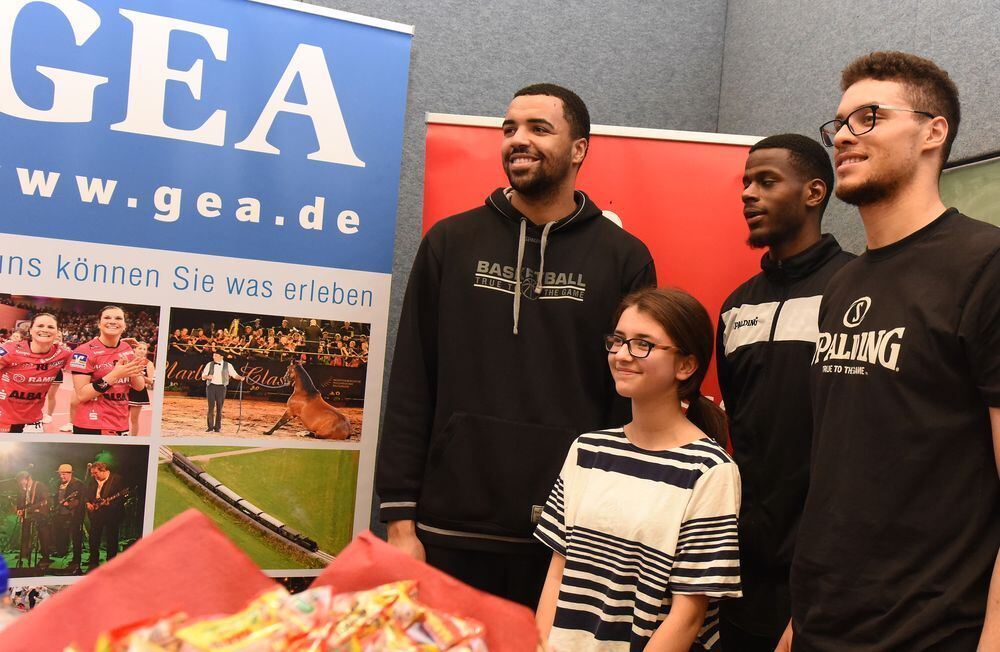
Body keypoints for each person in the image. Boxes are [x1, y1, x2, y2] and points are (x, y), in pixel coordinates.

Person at [375, 83, 656, 607]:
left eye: (538, 128)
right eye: (509, 129)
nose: (517, 140)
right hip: (447, 531)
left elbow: (630, 403)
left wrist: (613, 532)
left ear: (579, 149)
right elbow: (413, 379)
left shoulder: (624, 258)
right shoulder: (449, 243)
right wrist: (398, 523)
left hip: (566, 542)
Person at [777, 51, 1000, 651]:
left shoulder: (986, 266)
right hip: (822, 624)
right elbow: (843, 467)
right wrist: (798, 622)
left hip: (930, 633)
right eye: (840, 123)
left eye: (869, 117)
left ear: (933, 131)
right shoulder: (842, 285)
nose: (844, 136)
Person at [535, 288, 741, 650]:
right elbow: (557, 573)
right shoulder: (587, 450)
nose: (622, 355)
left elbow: (688, 614)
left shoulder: (710, 470)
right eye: (618, 341)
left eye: (643, 344)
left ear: (685, 365)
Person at [715, 134, 854, 650]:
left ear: (815, 192)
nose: (748, 193)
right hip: (744, 566)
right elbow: (741, 428)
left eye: (767, 181)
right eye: (746, 182)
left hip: (829, 566)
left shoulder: (857, 289)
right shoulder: (736, 306)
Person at [70, 306, 146, 435]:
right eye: (107, 317)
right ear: (99, 324)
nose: (112, 321)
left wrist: (134, 368)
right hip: (92, 424)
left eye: (118, 318)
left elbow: (139, 386)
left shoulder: (126, 348)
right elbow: (82, 395)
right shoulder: (82, 352)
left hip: (120, 423)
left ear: (124, 325)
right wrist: (116, 375)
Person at [0, 313, 73, 433]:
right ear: (31, 330)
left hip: (33, 422)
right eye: (40, 325)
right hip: (4, 419)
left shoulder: (64, 354)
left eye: (50, 327)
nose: (45, 330)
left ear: (57, 332)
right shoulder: (10, 349)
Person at [84, 462, 128, 570]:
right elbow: (86, 494)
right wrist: (88, 503)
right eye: (92, 474)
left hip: (112, 514)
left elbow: (123, 496)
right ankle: (93, 562)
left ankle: (111, 563)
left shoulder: (117, 479)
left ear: (103, 470)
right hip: (96, 514)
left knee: (112, 538)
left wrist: (111, 503)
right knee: (93, 538)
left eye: (96, 473)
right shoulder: (92, 481)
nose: (94, 475)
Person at [50, 463, 85, 574]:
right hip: (59, 514)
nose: (61, 476)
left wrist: (69, 505)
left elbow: (80, 500)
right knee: (60, 536)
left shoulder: (78, 484)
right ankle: (62, 553)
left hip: (73, 515)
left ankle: (76, 561)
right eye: (60, 474)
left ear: (70, 474)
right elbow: (55, 497)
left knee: (75, 538)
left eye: (64, 474)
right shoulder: (57, 484)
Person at [15, 470, 53, 570]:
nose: (21, 483)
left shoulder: (39, 486)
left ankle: (45, 557)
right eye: (20, 481)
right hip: (29, 513)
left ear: (28, 479)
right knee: (25, 532)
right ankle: (24, 553)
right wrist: (19, 509)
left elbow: (45, 500)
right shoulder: (22, 488)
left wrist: (31, 509)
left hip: (40, 513)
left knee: (43, 534)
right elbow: (20, 500)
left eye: (22, 481)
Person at [201, 349, 244, 433]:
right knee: (211, 407)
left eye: (216, 356)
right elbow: (203, 375)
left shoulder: (228, 365)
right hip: (211, 386)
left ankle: (217, 427)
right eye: (213, 355)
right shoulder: (209, 364)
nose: (214, 357)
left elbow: (234, 375)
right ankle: (210, 427)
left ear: (221, 357)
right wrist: (207, 377)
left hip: (221, 387)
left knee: (219, 408)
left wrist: (240, 378)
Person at [127, 341, 155, 436]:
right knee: (122, 416)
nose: (142, 351)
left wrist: (139, 376)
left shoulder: (149, 363)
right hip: (125, 390)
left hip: (138, 392)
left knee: (134, 419)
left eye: (144, 349)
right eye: (140, 348)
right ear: (134, 349)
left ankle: (133, 440)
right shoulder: (128, 360)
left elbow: (151, 381)